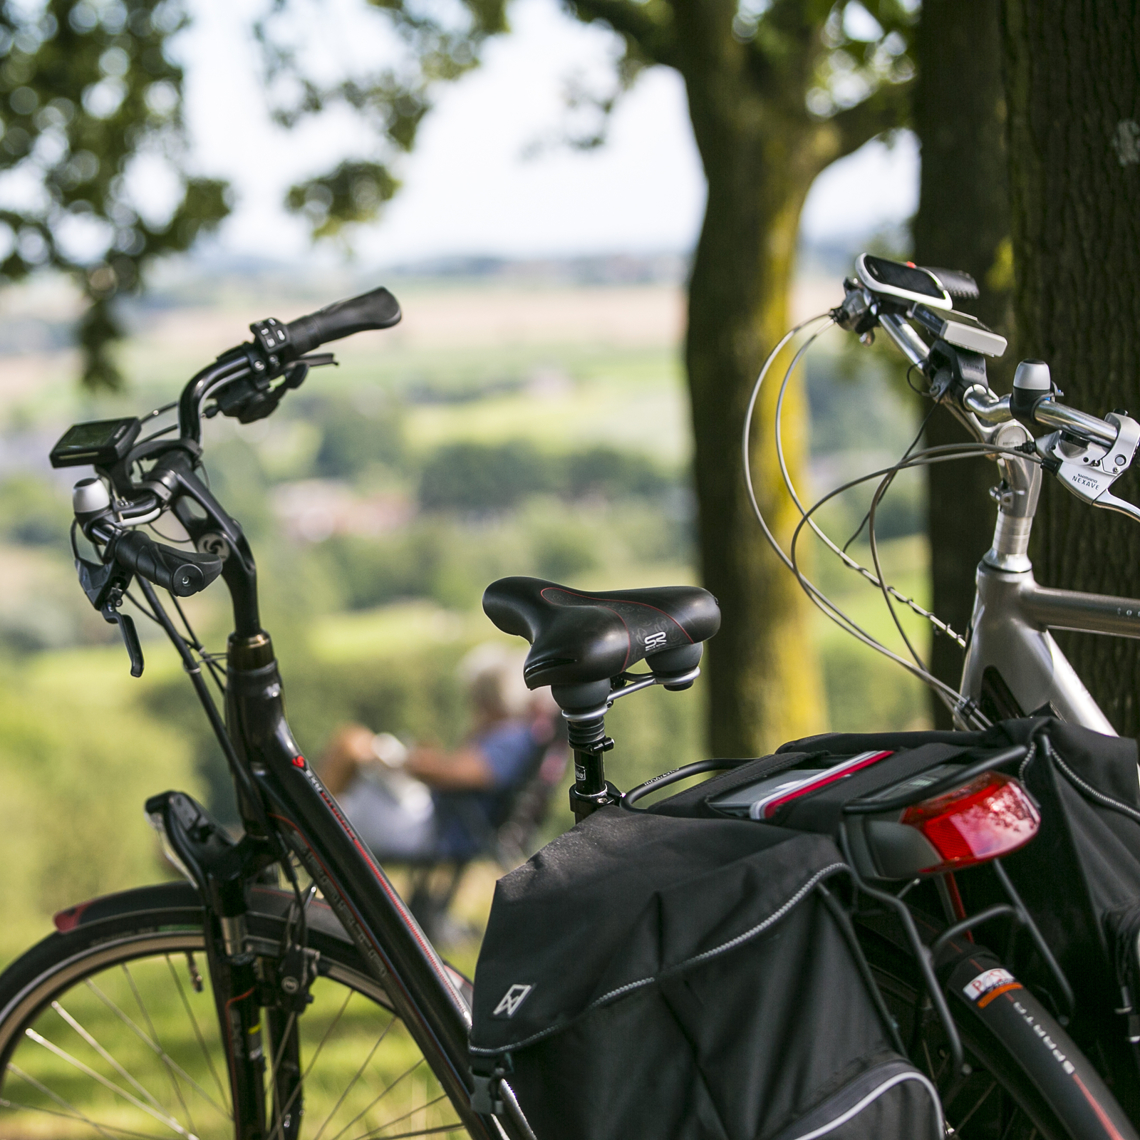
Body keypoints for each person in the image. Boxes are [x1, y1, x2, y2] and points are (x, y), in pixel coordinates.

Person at [319, 643, 563, 862]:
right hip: (436, 824)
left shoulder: (512, 738)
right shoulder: (517, 735)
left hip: (433, 831)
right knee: (351, 751)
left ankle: (308, 826)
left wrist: (405, 760)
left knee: (350, 743)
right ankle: (311, 822)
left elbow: (457, 774)